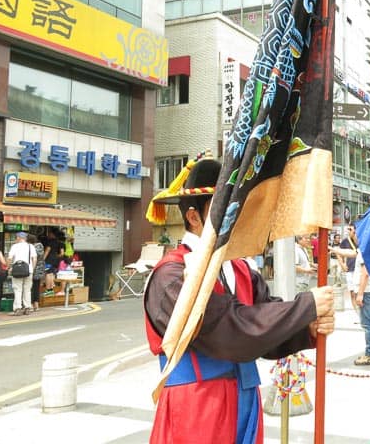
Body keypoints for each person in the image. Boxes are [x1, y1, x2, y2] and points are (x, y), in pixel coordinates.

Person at [143, 155, 335, 444]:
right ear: (194, 217)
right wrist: (304, 307)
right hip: (197, 404)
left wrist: (304, 327)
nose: (235, 217)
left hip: (245, 397)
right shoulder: (171, 276)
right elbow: (228, 328)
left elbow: (265, 322)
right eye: (224, 208)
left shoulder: (241, 268)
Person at [353, 248, 370, 366]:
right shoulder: (368, 249)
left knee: (368, 324)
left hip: (367, 292)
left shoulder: (365, 251)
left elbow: (365, 273)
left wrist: (360, 293)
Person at [331, 224, 359, 312]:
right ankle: (357, 313)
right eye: (348, 229)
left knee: (359, 292)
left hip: (359, 270)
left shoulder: (360, 240)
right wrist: (342, 264)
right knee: (352, 292)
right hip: (350, 269)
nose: (348, 231)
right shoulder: (345, 241)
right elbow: (338, 252)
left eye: (350, 229)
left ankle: (362, 313)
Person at [7, 231, 36, 316]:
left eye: (16, 237)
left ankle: (18, 309)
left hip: (17, 270)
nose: (16, 239)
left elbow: (9, 258)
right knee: (27, 290)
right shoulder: (31, 246)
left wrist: (9, 267)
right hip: (28, 271)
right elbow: (34, 259)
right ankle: (27, 308)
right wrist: (32, 269)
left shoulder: (14, 246)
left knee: (17, 289)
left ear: (19, 238)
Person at [28, 234, 45, 312]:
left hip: (33, 269)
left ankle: (31, 305)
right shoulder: (41, 246)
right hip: (40, 271)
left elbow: (31, 258)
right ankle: (36, 305)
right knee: (36, 288)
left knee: (30, 288)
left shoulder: (31, 248)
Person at [42, 227, 60, 293]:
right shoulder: (57, 241)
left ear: (52, 234)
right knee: (52, 274)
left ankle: (48, 289)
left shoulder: (50, 241)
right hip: (55, 260)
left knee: (47, 274)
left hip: (49, 260)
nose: (48, 234)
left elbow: (47, 250)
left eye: (49, 233)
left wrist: (43, 259)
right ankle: (51, 289)